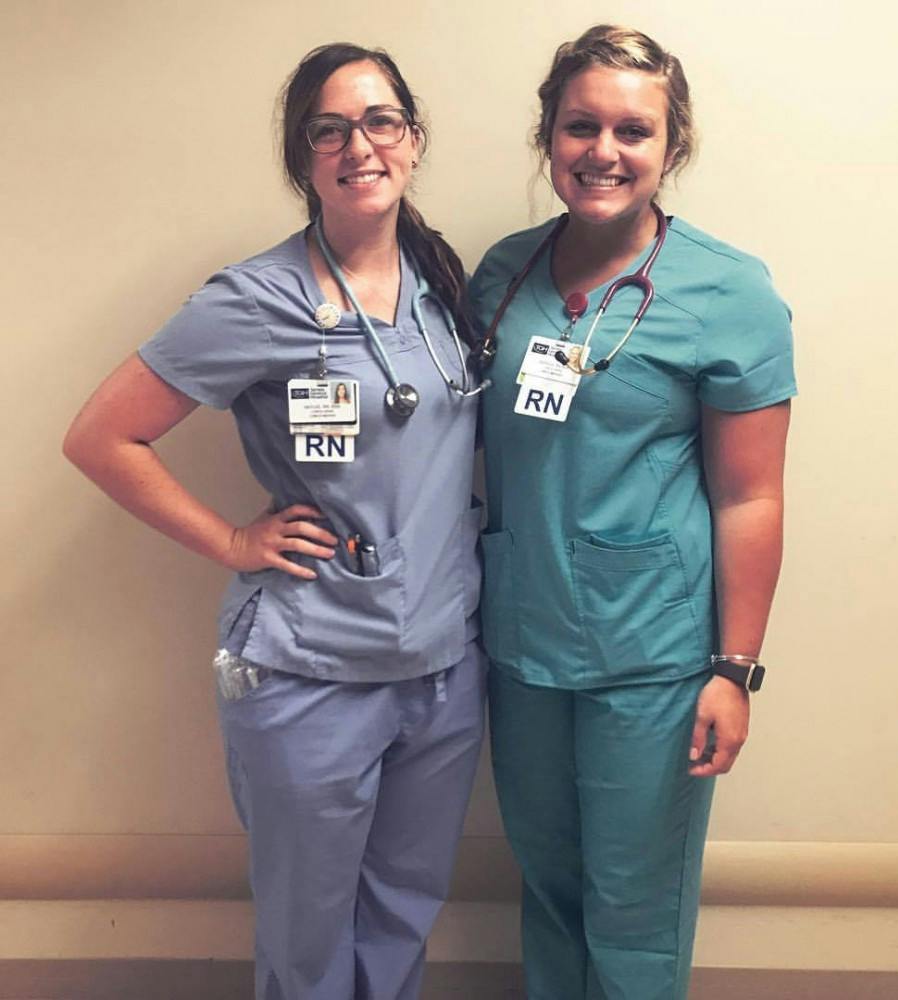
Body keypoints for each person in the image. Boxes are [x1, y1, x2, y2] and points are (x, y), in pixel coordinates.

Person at [63, 42, 486, 1000]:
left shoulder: (446, 285)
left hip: (441, 667)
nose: (359, 146)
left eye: (380, 121)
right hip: (310, 668)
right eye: (328, 130)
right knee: (309, 935)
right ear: (303, 157)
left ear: (414, 139)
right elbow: (101, 438)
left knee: (403, 914)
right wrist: (230, 541)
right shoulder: (255, 300)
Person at [469, 24, 795, 1000]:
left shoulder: (727, 292)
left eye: (632, 130)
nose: (602, 151)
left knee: (635, 908)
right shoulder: (503, 276)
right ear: (548, 135)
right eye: (581, 126)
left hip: (653, 657)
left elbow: (750, 495)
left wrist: (733, 670)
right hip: (521, 641)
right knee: (548, 886)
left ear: (671, 145)